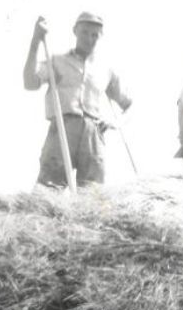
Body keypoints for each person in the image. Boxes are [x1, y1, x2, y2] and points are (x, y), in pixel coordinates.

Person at [23, 12, 132, 188]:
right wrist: (35, 42)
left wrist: (115, 122)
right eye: (85, 32)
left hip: (93, 134)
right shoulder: (57, 61)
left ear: (101, 36)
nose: (89, 39)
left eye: (94, 35)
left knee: (93, 196)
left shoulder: (106, 69)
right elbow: (29, 83)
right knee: (49, 190)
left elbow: (129, 105)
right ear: (75, 31)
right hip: (62, 129)